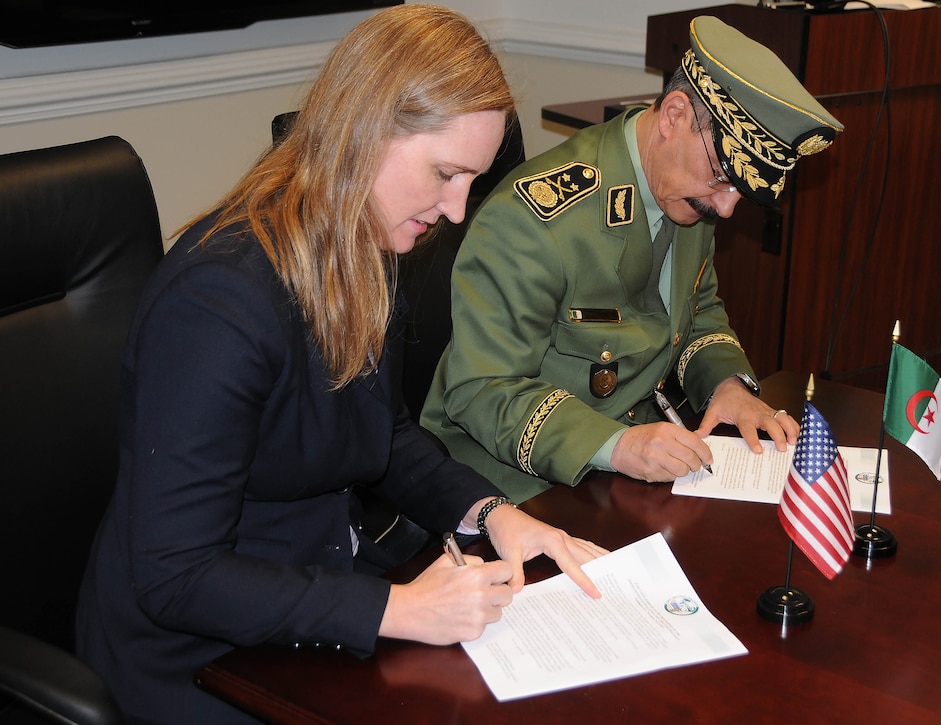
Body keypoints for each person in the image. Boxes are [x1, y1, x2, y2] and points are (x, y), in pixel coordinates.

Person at [75, 6, 605, 723]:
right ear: (367, 132)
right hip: (193, 656)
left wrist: (492, 512)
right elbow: (174, 575)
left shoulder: (366, 248)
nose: (454, 212)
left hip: (309, 597)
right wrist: (397, 605)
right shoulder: (218, 301)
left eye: (469, 184)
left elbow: (381, 436)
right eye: (446, 174)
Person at [421, 17, 844, 503]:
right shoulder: (533, 222)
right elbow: (483, 389)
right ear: (674, 116)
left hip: (627, 465)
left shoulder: (685, 193)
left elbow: (696, 310)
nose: (726, 208)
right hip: (511, 486)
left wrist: (727, 385)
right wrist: (616, 445)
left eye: (741, 193)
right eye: (725, 177)